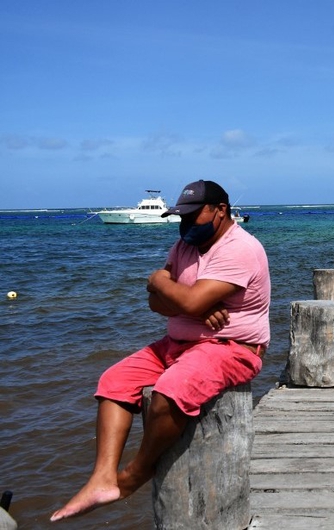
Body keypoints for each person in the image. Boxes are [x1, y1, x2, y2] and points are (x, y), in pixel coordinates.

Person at [51, 180, 271, 521]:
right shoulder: (183, 245)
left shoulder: (239, 248)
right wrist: (182, 299)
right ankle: (102, 477)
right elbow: (159, 304)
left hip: (231, 347)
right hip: (177, 344)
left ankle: (136, 473)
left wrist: (160, 281)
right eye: (181, 217)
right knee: (114, 381)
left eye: (192, 216)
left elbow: (181, 296)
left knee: (171, 390)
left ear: (220, 210)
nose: (185, 225)